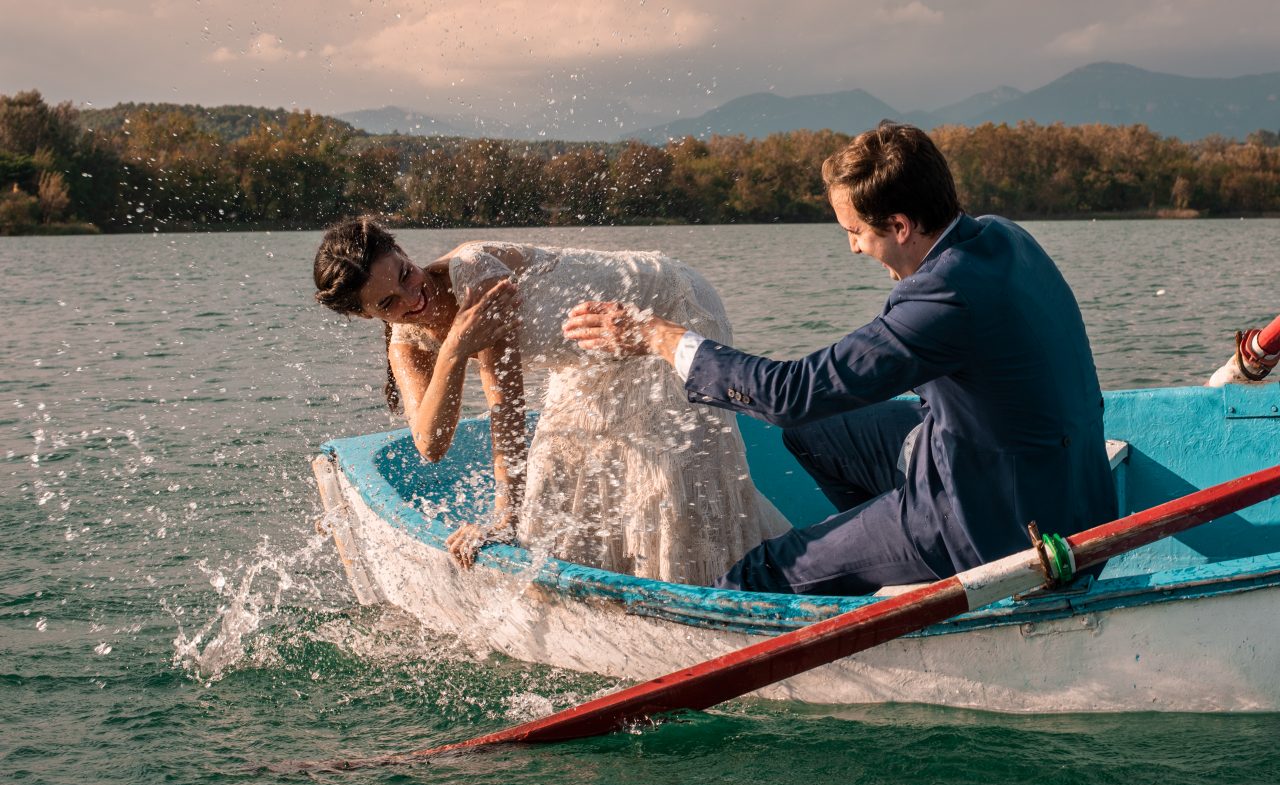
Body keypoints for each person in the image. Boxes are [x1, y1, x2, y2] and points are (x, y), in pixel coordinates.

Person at [564, 121, 1118, 595]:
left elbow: (790, 394)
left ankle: (911, 549)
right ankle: (875, 555)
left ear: (900, 226)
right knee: (814, 433)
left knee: (761, 571)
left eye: (855, 232)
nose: (853, 247)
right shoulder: (1003, 236)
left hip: (1002, 528)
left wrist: (659, 337)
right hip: (1066, 489)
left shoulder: (946, 299)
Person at [312, 218, 789, 584]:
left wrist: (503, 520)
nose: (411, 298)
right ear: (366, 316)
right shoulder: (406, 342)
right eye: (388, 303)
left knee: (668, 480)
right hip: (590, 355)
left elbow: (506, 407)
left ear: (404, 252)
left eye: (405, 274)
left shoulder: (476, 274)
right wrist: (455, 346)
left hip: (664, 308)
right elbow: (430, 443)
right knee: (559, 476)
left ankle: (723, 588)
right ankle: (608, 597)